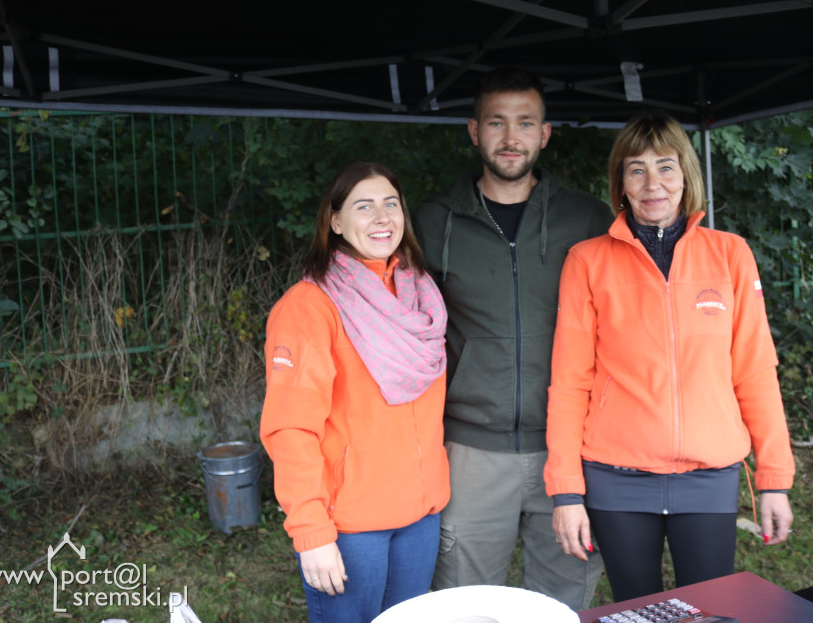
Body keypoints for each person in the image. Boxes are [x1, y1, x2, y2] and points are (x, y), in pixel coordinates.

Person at [544, 113, 795, 602]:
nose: (652, 183)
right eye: (636, 170)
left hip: (709, 477)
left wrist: (774, 479)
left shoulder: (731, 255)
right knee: (637, 610)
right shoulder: (587, 260)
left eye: (666, 167)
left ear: (687, 177)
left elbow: (756, 373)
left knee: (709, 609)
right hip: (616, 477)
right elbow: (569, 382)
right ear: (620, 183)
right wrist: (567, 492)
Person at [414, 67, 613, 610]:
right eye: (496, 122)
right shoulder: (432, 222)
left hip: (570, 449)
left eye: (525, 123)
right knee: (466, 606)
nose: (510, 137)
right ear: (473, 131)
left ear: (544, 135)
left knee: (564, 603)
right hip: (472, 450)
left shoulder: (589, 217)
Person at [260, 161, 450, 623]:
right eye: (364, 207)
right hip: (350, 527)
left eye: (391, 204)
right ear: (336, 221)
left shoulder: (421, 295)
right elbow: (291, 428)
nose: (382, 217)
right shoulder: (308, 308)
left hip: (420, 517)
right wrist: (312, 532)